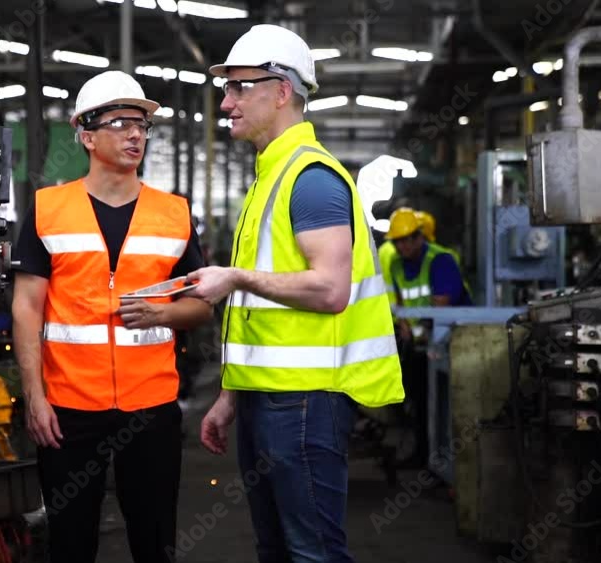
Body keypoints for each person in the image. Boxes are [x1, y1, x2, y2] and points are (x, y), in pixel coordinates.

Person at [184, 24, 404, 563]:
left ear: (282, 91)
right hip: (269, 398)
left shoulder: (311, 179)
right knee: (278, 548)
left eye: (239, 88)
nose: (226, 101)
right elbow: (262, 313)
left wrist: (234, 278)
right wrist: (232, 395)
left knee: (313, 552)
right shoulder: (270, 177)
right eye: (227, 88)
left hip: (305, 401)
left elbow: (331, 290)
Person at [10, 70, 212, 563]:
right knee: (70, 542)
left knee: (154, 539)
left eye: (142, 124)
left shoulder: (175, 214)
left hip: (152, 407)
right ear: (86, 134)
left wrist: (162, 312)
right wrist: (34, 399)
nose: (135, 134)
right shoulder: (47, 210)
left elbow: (203, 304)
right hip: (68, 409)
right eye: (121, 123)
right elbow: (26, 307)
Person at [386, 207, 472, 308]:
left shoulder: (441, 260)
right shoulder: (396, 265)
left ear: (419, 238)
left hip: (453, 323)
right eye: (396, 241)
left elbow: (441, 308)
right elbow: (400, 304)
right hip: (417, 323)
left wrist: (421, 324)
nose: (400, 246)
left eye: (405, 240)